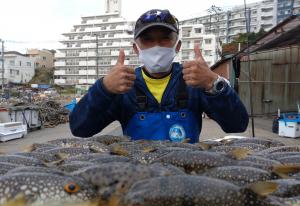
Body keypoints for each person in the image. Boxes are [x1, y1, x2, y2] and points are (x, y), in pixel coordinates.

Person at [69, 9, 249, 143]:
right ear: (135, 48)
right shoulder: (123, 86)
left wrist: (214, 84)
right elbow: (80, 128)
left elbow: (237, 125)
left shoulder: (194, 82)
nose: (156, 46)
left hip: (187, 177)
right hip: (138, 180)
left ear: (177, 46)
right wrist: (103, 88)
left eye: (164, 38)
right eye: (147, 39)